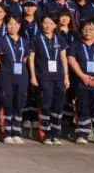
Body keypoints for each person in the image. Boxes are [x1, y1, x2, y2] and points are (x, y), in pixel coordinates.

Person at [30, 13, 70, 145]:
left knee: (58, 105)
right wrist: (33, 76)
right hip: (43, 77)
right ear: (42, 24)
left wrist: (66, 76)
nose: (48, 26)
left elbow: (64, 59)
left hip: (58, 77)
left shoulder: (60, 39)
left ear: (55, 25)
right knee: (45, 104)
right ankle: (46, 134)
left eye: (51, 23)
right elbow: (31, 59)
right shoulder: (36, 39)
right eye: (46, 23)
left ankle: (56, 134)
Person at [0, 16, 30, 144]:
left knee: (18, 104)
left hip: (21, 77)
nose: (13, 26)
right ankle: (6, 133)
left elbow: (25, 59)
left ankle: (16, 132)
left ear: (19, 26)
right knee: (7, 103)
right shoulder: (0, 41)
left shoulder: (24, 41)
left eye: (15, 24)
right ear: (5, 26)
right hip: (6, 76)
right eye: (10, 24)